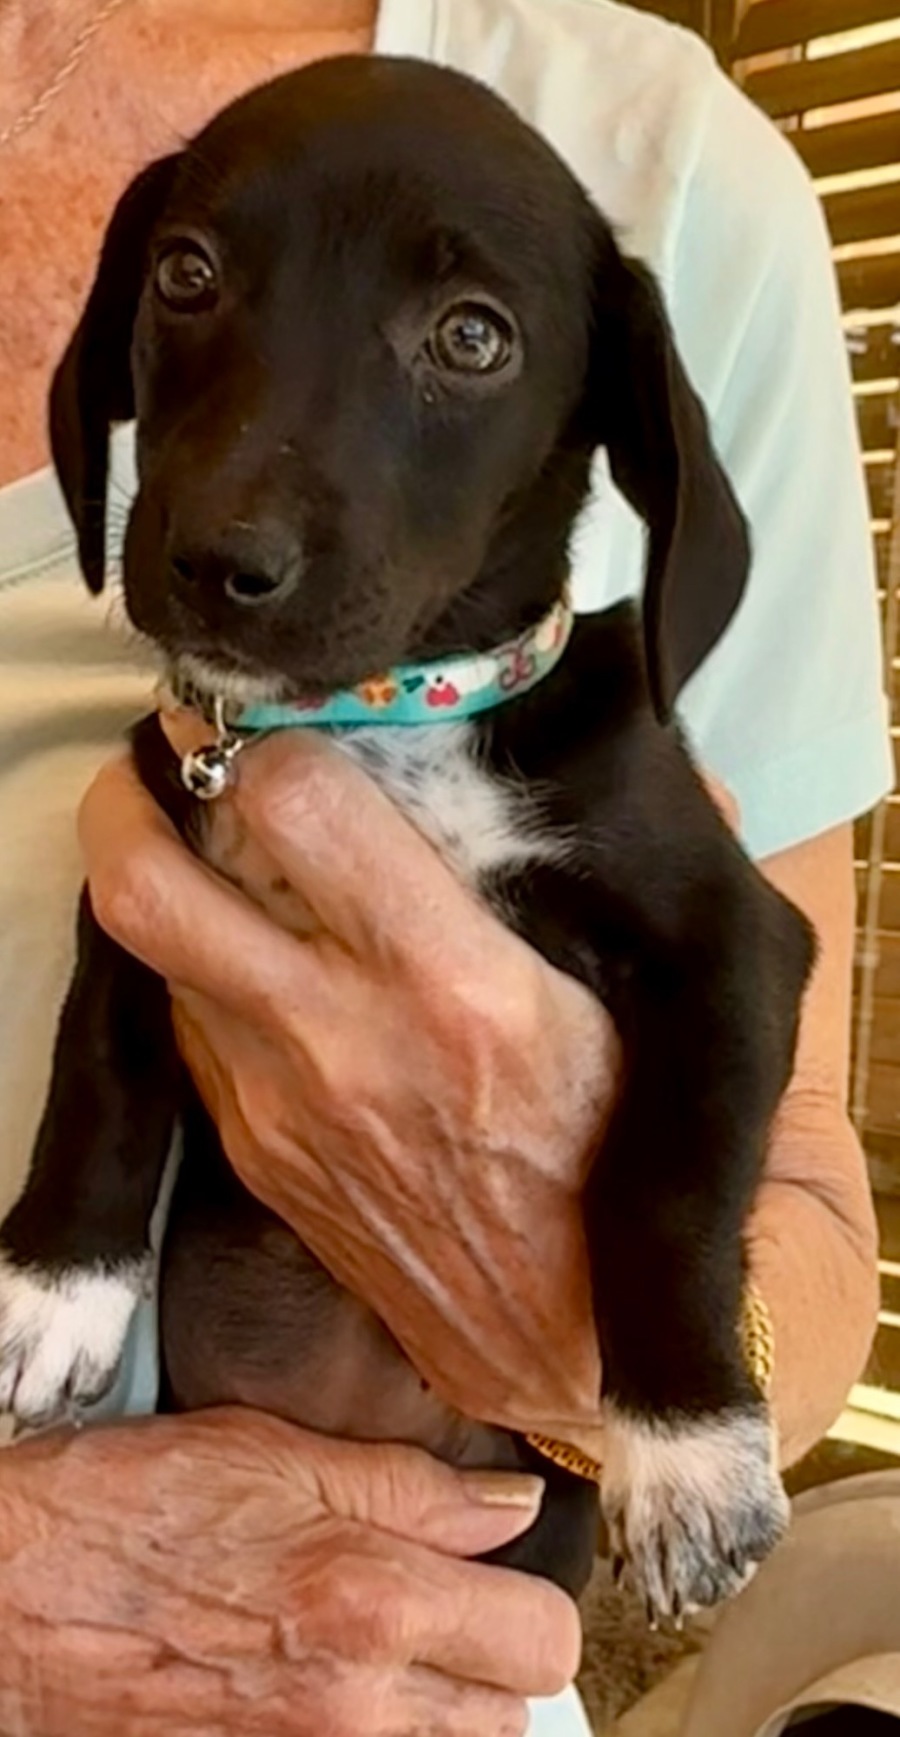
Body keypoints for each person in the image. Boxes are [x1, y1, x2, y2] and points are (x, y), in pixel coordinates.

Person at [0, 1, 891, 1733]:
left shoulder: (660, 146)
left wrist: (633, 1346)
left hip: (415, 1650)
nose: (241, 503)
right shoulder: (194, 747)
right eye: (193, 283)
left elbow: (804, 1180)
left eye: (466, 337)